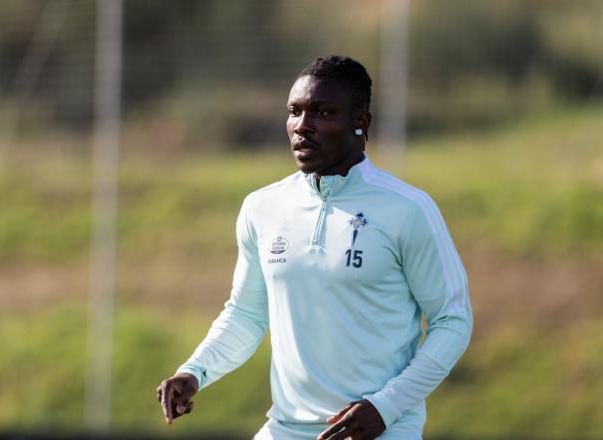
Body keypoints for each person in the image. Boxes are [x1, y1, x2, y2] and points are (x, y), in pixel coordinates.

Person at [157, 55, 473, 440]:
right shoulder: (262, 207)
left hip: (381, 431)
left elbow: (452, 320)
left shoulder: (408, 209)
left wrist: (386, 407)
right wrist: (195, 372)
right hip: (284, 429)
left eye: (322, 112)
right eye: (294, 111)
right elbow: (247, 314)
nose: (302, 127)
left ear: (360, 122)